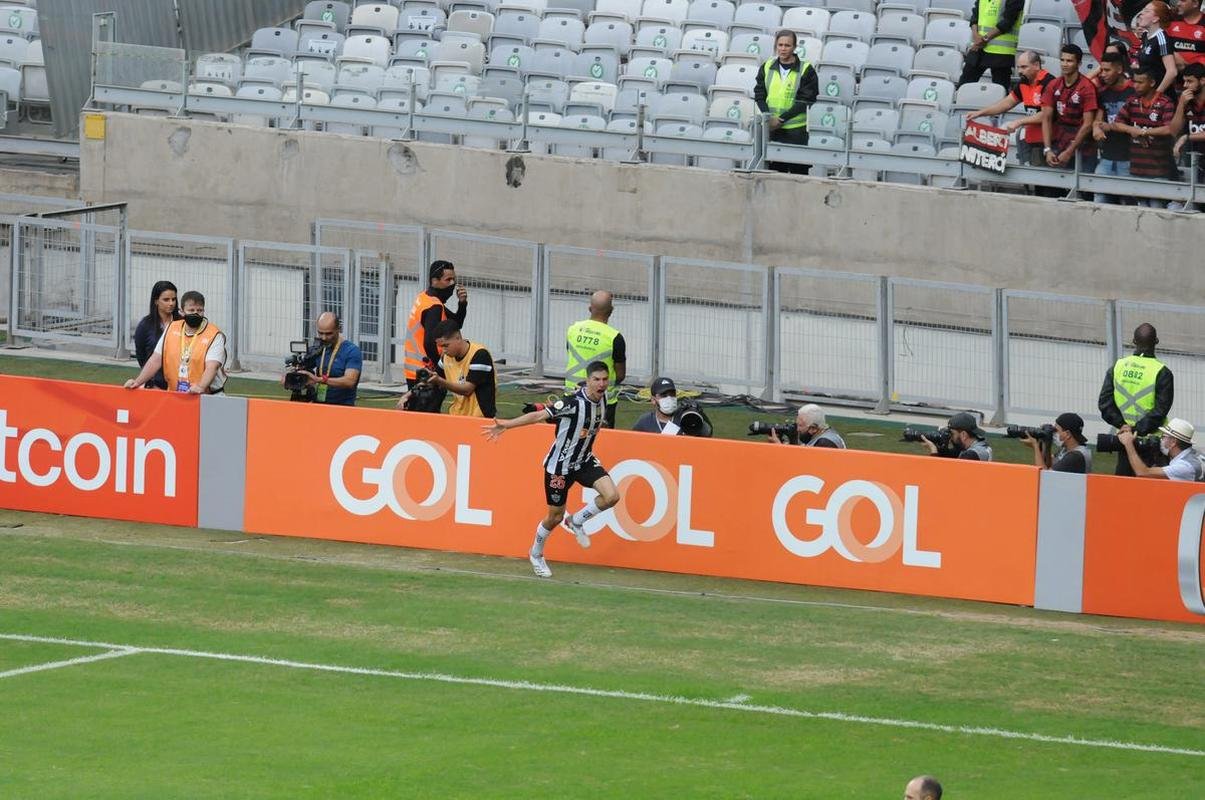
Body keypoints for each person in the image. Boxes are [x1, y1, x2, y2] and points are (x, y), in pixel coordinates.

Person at [483, 361, 621, 578]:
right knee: (555, 517)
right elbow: (538, 416)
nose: (601, 384)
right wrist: (506, 425)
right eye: (596, 379)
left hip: (584, 461)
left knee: (612, 496)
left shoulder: (603, 399)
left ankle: (576, 520)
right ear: (587, 381)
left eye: (605, 380)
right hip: (560, 467)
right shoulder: (573, 403)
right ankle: (536, 553)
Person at [1098, 322, 1174, 476]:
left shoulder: (1118, 366)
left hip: (1124, 439)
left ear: (1133, 341)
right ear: (1156, 341)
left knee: (1123, 484)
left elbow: (1105, 403)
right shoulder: (1162, 371)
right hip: (1152, 442)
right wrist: (1136, 429)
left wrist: (1123, 425)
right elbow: (1160, 410)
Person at [124, 290, 226, 394]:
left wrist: (200, 386)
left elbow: (212, 367)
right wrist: (137, 382)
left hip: (208, 395)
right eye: (191, 310)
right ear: (182, 311)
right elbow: (155, 360)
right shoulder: (171, 328)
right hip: (176, 394)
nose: (195, 313)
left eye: (199, 310)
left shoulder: (214, 335)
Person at [965, 50, 1056, 167]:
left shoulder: (1049, 82)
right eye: (1018, 67)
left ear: (1036, 65)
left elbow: (1046, 115)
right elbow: (1006, 103)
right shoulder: (1024, 83)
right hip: (1032, 140)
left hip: (1052, 141)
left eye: (1024, 67)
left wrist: (1019, 122)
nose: (1020, 71)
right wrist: (980, 113)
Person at [1103, 67, 1177, 205]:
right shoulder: (1132, 101)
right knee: (1139, 209)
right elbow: (1117, 124)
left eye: (1140, 82)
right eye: (1134, 82)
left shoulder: (1165, 102)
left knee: (1156, 207)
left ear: (1152, 83)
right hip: (1136, 169)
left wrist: (1143, 132)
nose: (1136, 86)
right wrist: (1132, 129)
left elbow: (1170, 129)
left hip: (1159, 170)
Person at [402, 260, 468, 412]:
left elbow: (455, 324)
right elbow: (429, 343)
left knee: (419, 415)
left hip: (416, 370)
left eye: (454, 279)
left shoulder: (425, 298)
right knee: (427, 417)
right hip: (426, 372)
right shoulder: (434, 306)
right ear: (435, 281)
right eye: (448, 280)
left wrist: (462, 304)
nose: (452, 284)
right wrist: (441, 368)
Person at [753, 29, 818, 175]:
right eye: (780, 45)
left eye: (787, 45)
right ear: (776, 45)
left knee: (798, 174)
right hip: (772, 129)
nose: (783, 49)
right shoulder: (767, 66)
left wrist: (781, 119)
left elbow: (806, 100)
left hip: (796, 131)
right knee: (774, 173)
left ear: (794, 47)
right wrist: (768, 117)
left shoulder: (806, 69)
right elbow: (759, 94)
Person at [565, 290, 626, 429]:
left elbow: (570, 354)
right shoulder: (615, 337)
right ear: (611, 311)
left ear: (590, 308)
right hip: (602, 400)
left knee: (570, 434)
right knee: (601, 438)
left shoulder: (573, 330)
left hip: (572, 395)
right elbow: (620, 375)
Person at [418, 320, 496, 418]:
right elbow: (433, 378)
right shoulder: (446, 357)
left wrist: (440, 381)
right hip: (456, 415)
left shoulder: (480, 355)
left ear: (458, 338)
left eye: (446, 345)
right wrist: (408, 395)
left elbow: (467, 390)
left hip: (479, 418)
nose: (443, 350)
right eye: (441, 347)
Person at [282, 312, 362, 406]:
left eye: (328, 333)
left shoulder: (351, 351)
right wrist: (290, 376)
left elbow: (350, 381)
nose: (324, 337)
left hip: (342, 407)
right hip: (319, 406)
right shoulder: (317, 349)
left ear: (338, 329)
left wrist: (319, 380)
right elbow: (301, 367)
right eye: (320, 333)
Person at [1041, 44, 1099, 171]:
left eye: (1069, 61)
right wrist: (1047, 149)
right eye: (1062, 60)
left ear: (1079, 63)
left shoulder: (1087, 87)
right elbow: (1046, 118)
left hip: (1084, 146)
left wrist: (1069, 151)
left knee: (1084, 182)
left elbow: (1088, 124)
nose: (1064, 64)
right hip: (1060, 141)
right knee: (1053, 180)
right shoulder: (1053, 84)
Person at [1091, 51, 1137, 203]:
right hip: (1107, 158)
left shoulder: (1135, 91)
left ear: (1119, 69)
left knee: (1129, 202)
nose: (1102, 74)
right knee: (1099, 200)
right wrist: (1096, 127)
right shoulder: (1103, 93)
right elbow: (1098, 120)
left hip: (1130, 159)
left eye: (1107, 70)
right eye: (1101, 70)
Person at [957, 0, 1024, 89]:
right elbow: (974, 16)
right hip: (979, 48)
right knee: (963, 85)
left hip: (1001, 52)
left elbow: (1008, 21)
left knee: (1000, 89)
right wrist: (975, 35)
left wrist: (984, 39)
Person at [1119, 418, 1204, 480]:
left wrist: (1128, 443)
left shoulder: (1184, 466)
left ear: (1173, 442)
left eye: (1163, 437)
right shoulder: (1196, 454)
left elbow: (1142, 472)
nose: (1161, 440)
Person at [132, 280, 179, 390]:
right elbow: (141, 355)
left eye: (173, 299)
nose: (171, 303)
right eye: (166, 300)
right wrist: (150, 380)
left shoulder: (181, 322)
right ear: (156, 301)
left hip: (179, 384)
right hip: (154, 384)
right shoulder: (145, 325)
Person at [631, 376, 714, 437]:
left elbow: (708, 433)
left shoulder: (686, 418)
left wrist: (700, 413)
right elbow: (633, 443)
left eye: (672, 394)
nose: (669, 398)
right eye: (663, 395)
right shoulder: (645, 421)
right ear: (653, 400)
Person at [1020, 412, 1093, 473]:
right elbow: (1049, 464)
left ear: (1067, 434)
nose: (1054, 433)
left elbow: (1044, 476)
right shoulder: (1066, 449)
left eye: (1056, 430)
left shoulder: (1075, 456)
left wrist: (1036, 446)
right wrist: (1044, 444)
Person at [1135, 1, 1178, 96]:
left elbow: (1172, 71)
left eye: (1146, 11)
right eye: (1142, 10)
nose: (1141, 13)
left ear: (1155, 19)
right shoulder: (1145, 36)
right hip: (1146, 93)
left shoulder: (1161, 38)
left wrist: (1157, 94)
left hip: (1162, 96)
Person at [1171, 62, 1205, 180]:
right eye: (1184, 81)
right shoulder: (1186, 102)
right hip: (1194, 157)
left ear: (1202, 80)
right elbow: (1174, 131)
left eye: (1189, 81)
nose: (1185, 85)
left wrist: (1186, 137)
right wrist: (1181, 104)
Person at [920, 412, 993, 461]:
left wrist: (933, 450)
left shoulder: (972, 455)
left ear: (963, 435)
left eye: (952, 433)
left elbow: (941, 474)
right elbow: (951, 455)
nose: (951, 437)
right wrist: (938, 446)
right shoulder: (978, 445)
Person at [769, 403, 846, 448]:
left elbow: (806, 467)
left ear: (813, 428)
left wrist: (780, 448)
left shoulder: (825, 443)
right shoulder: (825, 433)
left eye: (800, 425)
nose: (797, 429)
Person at [1168, 0, 1205, 68]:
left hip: (1198, 72)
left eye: (1183, 1)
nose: (1178, 4)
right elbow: (1160, 45)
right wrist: (1172, 55)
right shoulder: (1172, 20)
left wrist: (1190, 67)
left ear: (1195, 3)